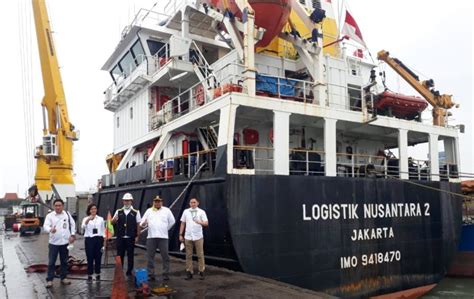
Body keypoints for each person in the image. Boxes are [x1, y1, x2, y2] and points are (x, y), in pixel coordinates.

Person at [140, 196, 175, 281]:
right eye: (156, 201)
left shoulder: (167, 210)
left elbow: (172, 221)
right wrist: (144, 223)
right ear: (153, 202)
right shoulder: (149, 211)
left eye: (159, 201)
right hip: (151, 237)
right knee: (150, 257)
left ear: (161, 202)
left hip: (163, 237)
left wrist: (165, 229)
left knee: (165, 256)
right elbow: (141, 223)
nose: (157, 203)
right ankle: (151, 274)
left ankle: (165, 274)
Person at [43, 198, 76, 288]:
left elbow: (72, 224)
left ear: (62, 206)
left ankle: (63, 278)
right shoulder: (50, 216)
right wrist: (50, 229)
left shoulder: (67, 214)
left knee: (64, 261)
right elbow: (45, 226)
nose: (58, 207)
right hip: (54, 243)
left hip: (65, 242)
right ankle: (49, 280)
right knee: (51, 262)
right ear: (54, 206)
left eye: (59, 205)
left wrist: (72, 235)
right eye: (56, 205)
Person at [112, 193, 141, 276]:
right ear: (123, 201)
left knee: (130, 255)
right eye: (125, 201)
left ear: (131, 201)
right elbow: (112, 222)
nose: (127, 202)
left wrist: (137, 236)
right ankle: (119, 270)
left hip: (130, 237)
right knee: (119, 254)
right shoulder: (118, 211)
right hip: (120, 237)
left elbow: (138, 224)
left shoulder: (136, 212)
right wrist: (114, 220)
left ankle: (129, 271)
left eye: (128, 201)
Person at [179, 198, 208, 280]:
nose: (193, 204)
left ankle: (201, 271)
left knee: (200, 254)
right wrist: (180, 234)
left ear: (198, 203)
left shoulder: (201, 212)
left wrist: (200, 222)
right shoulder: (186, 211)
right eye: (191, 202)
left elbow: (206, 223)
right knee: (188, 255)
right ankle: (189, 272)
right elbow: (183, 223)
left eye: (194, 202)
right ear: (189, 203)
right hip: (188, 236)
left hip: (198, 236)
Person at [82, 203, 105, 282]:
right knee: (90, 257)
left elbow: (103, 230)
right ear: (89, 210)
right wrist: (88, 220)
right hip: (89, 239)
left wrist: (104, 242)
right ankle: (90, 274)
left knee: (98, 257)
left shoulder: (101, 219)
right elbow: (83, 227)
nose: (93, 210)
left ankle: (98, 273)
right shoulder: (85, 218)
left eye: (95, 208)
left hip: (98, 239)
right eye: (91, 209)